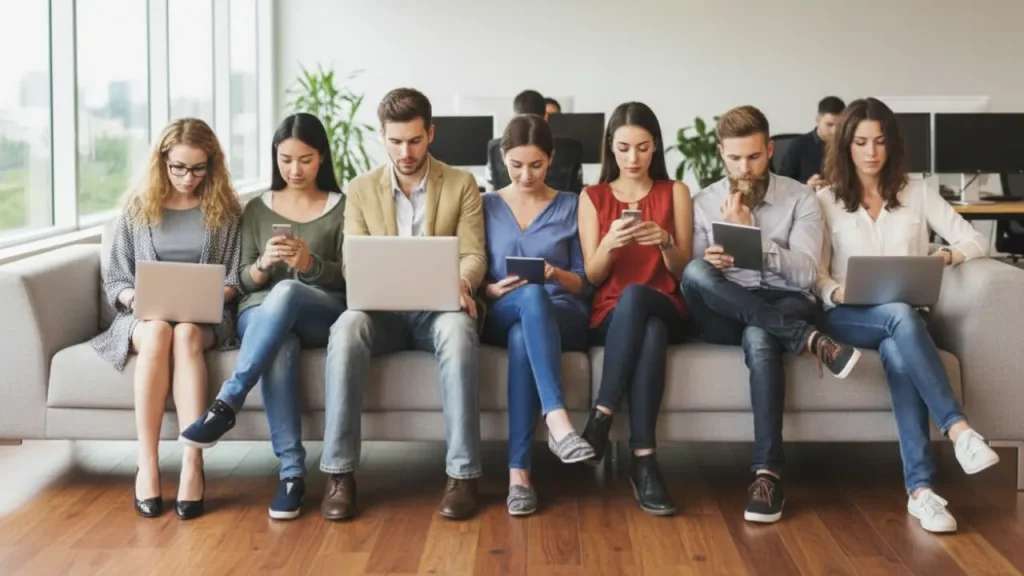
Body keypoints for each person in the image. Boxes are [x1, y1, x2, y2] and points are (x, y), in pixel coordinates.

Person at [816, 97, 1000, 533]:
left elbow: (976, 241)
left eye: (879, 141)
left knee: (900, 344)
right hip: (848, 316)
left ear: (891, 145)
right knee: (899, 316)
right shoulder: (825, 200)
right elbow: (815, 274)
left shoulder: (916, 193)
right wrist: (836, 290)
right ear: (846, 145)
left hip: (905, 322)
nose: (871, 152)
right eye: (861, 142)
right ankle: (959, 432)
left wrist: (946, 257)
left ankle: (921, 493)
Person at [681, 105, 861, 525]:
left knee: (761, 338)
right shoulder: (702, 201)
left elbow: (804, 271)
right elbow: (691, 273)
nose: (745, 168)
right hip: (726, 306)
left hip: (784, 299)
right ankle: (808, 338)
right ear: (721, 153)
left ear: (770, 149)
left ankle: (767, 475)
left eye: (754, 157)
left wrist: (753, 239)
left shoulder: (800, 197)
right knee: (694, 271)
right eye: (735, 158)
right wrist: (712, 259)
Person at [320, 88, 486, 521]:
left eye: (414, 140)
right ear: (383, 137)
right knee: (347, 326)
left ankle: (462, 474)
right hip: (384, 313)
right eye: (395, 141)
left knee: (458, 328)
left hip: (439, 311)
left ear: (430, 133)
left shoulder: (462, 184)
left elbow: (474, 254)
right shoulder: (360, 189)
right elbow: (352, 260)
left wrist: (463, 281)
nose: (405, 151)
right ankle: (340, 474)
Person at [178, 113, 346, 521]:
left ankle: (227, 403)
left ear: (321, 157)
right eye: (286, 159)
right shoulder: (255, 209)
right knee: (280, 342)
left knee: (288, 291)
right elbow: (242, 281)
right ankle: (291, 476)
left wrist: (309, 264)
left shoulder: (343, 207)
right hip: (260, 316)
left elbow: (351, 278)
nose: (295, 169)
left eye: (305, 159)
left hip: (319, 310)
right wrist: (263, 265)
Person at [91, 118, 242, 520]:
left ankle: (193, 463)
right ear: (162, 162)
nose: (187, 177)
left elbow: (235, 278)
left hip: (205, 319)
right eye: (178, 167)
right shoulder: (138, 209)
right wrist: (137, 297)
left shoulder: (225, 211)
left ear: (212, 165)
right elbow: (117, 279)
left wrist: (212, 295)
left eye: (197, 168)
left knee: (187, 333)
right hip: (146, 317)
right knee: (158, 332)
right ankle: (148, 463)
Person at [578, 102, 693, 516]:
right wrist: (610, 244)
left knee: (641, 299)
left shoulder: (674, 192)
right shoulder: (592, 197)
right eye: (624, 148)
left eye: (642, 148)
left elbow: (685, 274)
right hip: (613, 314)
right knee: (645, 324)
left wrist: (664, 241)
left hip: (667, 302)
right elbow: (592, 277)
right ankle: (644, 461)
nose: (632, 159)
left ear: (655, 147)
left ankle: (601, 415)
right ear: (611, 146)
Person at [481, 114, 595, 516]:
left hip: (560, 310)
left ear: (551, 158)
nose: (525, 174)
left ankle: (518, 475)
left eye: (536, 165)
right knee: (526, 300)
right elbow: (471, 269)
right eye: (515, 165)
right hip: (502, 307)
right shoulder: (485, 205)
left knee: (523, 329)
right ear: (502, 158)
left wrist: (554, 274)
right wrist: (488, 289)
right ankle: (558, 420)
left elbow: (584, 282)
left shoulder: (572, 204)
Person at [487, 89, 584, 193]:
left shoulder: (494, 146)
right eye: (517, 165)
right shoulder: (572, 147)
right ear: (546, 116)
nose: (526, 177)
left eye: (536, 165)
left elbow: (491, 187)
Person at [780, 96, 846, 190]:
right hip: (806, 199)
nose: (835, 131)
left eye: (840, 125)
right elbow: (782, 183)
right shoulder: (798, 145)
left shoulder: (848, 145)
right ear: (817, 121)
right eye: (829, 125)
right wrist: (806, 186)